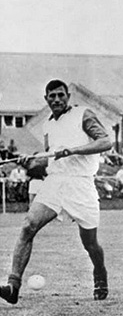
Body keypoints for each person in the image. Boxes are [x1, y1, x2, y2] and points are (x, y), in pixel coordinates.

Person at [0, 79, 112, 304]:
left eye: (61, 95)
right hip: (55, 183)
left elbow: (105, 141)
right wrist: (28, 162)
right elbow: (48, 160)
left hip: (81, 185)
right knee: (28, 226)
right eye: (52, 96)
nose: (57, 99)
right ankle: (13, 286)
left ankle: (100, 273)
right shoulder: (48, 125)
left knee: (90, 243)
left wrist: (72, 151)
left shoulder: (83, 115)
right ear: (46, 99)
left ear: (68, 96)